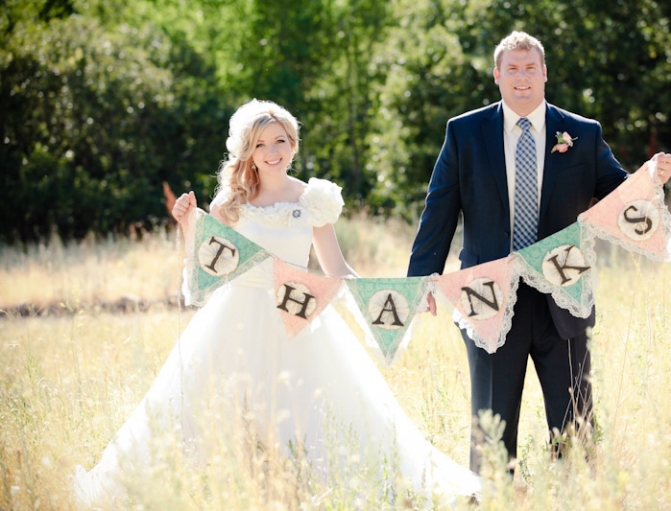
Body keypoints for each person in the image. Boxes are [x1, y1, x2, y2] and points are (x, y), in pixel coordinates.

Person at [72, 99, 480, 507]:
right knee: (222, 408)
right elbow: (208, 266)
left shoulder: (314, 200)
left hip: (299, 314)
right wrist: (186, 225)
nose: (272, 151)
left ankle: (306, 491)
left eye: (281, 141)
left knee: (308, 410)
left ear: (293, 145)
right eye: (262, 143)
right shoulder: (228, 203)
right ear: (248, 151)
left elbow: (337, 268)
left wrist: (405, 295)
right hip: (235, 317)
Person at [407, 31, 671, 474]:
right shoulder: (465, 132)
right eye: (512, 68)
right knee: (491, 431)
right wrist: (422, 278)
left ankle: (576, 497)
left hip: (564, 294)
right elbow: (439, 209)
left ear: (545, 73)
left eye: (531, 67)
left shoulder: (583, 134)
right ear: (497, 76)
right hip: (489, 297)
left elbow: (618, 194)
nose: (522, 77)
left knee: (575, 425)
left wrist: (652, 177)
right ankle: (494, 498)